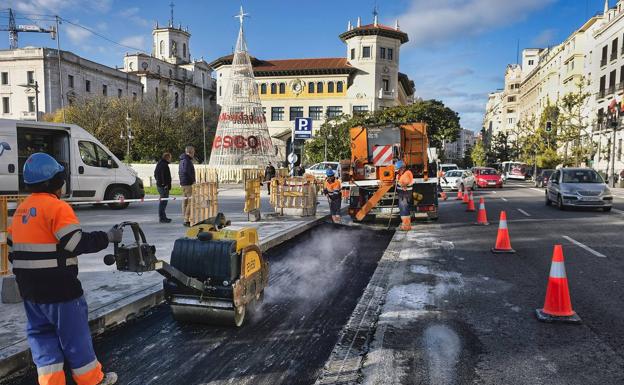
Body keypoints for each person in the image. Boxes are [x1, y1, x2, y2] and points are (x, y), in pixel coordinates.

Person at [7, 153, 121, 385]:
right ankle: (92, 380)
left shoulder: (21, 211)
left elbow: (13, 248)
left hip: (30, 291)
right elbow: (75, 243)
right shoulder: (57, 208)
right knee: (75, 337)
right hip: (61, 290)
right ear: (56, 181)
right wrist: (107, 237)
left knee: (42, 337)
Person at [179, 145, 196, 227]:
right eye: (193, 152)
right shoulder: (187, 161)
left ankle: (185, 218)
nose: (194, 154)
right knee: (190, 201)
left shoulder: (182, 160)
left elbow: (181, 172)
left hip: (183, 183)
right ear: (190, 152)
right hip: (188, 183)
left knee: (185, 201)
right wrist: (193, 180)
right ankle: (186, 219)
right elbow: (186, 171)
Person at [395, 160, 414, 231]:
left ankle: (406, 226)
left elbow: (404, 183)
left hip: (405, 194)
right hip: (403, 194)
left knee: (404, 210)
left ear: (402, 168)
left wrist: (398, 181)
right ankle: (406, 225)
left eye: (398, 170)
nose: (397, 172)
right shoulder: (402, 174)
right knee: (404, 209)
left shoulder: (406, 174)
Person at [154, 152, 172, 223]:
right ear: (167, 158)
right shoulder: (164, 165)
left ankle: (163, 217)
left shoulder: (159, 164)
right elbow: (163, 176)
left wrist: (159, 182)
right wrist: (164, 184)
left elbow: (155, 174)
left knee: (163, 202)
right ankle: (162, 218)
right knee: (163, 203)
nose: (171, 159)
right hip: (163, 187)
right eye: (170, 158)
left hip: (160, 185)